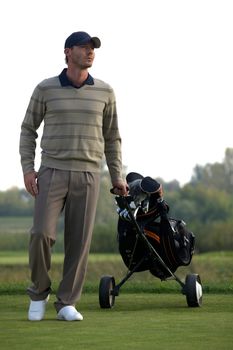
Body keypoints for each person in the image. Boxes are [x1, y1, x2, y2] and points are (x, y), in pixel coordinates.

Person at [19, 31, 128, 322]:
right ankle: (39, 292)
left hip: (90, 173)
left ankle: (67, 302)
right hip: (52, 171)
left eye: (93, 48)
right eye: (84, 47)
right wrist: (28, 169)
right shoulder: (46, 88)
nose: (90, 52)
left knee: (79, 242)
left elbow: (112, 137)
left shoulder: (105, 91)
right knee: (41, 233)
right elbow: (28, 129)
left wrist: (118, 176)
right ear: (68, 52)